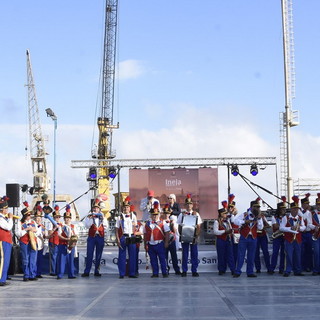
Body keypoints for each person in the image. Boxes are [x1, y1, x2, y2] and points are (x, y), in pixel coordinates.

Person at [233, 198, 263, 278]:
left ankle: (250, 272)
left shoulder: (258, 216)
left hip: (253, 237)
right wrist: (244, 222)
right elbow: (235, 221)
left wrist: (259, 219)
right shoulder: (245, 214)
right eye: (255, 207)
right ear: (251, 207)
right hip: (244, 237)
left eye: (258, 207)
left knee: (251, 255)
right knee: (241, 254)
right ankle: (238, 271)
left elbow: (260, 227)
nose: (257, 208)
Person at [280, 196, 306, 277]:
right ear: (291, 209)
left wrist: (298, 228)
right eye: (294, 209)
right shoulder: (285, 217)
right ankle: (288, 270)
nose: (296, 210)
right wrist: (290, 228)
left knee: (298, 255)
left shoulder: (300, 218)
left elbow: (304, 227)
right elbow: (281, 228)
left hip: (298, 239)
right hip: (289, 239)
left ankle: (297, 270)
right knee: (289, 255)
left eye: (297, 209)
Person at [81, 200, 108, 277]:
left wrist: (102, 219)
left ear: (99, 209)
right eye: (94, 208)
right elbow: (87, 226)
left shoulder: (102, 216)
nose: (95, 209)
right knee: (89, 254)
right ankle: (87, 271)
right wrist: (91, 219)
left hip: (100, 237)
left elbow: (106, 226)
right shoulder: (89, 216)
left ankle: (97, 270)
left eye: (97, 208)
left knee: (98, 254)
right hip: (92, 237)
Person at [177, 194, 202, 277]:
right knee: (185, 254)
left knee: (194, 254)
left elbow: (199, 227)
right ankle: (184, 270)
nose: (189, 205)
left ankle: (194, 270)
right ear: (185, 205)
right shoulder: (182, 214)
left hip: (193, 237)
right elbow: (179, 226)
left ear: (192, 205)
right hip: (185, 236)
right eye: (187, 204)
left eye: (190, 204)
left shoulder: (196, 214)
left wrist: (196, 236)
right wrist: (181, 235)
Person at [16, 202, 41, 281]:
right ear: (25, 216)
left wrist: (34, 230)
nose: (30, 216)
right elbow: (18, 233)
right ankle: (26, 275)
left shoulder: (33, 222)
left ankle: (32, 275)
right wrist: (26, 230)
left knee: (33, 259)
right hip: (25, 242)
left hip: (33, 242)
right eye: (28, 215)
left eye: (30, 215)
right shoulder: (20, 223)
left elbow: (38, 232)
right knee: (25, 259)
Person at [144, 202, 169, 278]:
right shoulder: (147, 223)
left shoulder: (163, 222)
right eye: (153, 215)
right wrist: (145, 244)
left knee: (162, 259)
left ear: (158, 214)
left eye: (156, 215)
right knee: (153, 260)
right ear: (151, 215)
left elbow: (167, 232)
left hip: (159, 243)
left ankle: (164, 272)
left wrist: (166, 242)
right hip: (151, 244)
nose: (154, 216)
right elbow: (145, 234)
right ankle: (155, 273)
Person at [115, 197, 138, 279]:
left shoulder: (133, 216)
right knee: (122, 256)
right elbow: (116, 229)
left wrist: (136, 234)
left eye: (127, 207)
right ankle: (121, 273)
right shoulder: (119, 217)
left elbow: (136, 226)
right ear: (123, 208)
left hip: (131, 236)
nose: (126, 208)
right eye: (125, 207)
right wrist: (117, 239)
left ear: (129, 208)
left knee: (132, 255)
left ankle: (132, 273)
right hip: (123, 236)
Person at [57, 205, 78, 279]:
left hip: (71, 245)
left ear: (70, 219)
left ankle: (71, 274)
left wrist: (73, 240)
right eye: (66, 218)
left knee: (71, 260)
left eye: (68, 218)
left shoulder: (73, 226)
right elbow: (59, 235)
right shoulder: (61, 226)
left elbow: (76, 235)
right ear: (64, 219)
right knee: (62, 260)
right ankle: (60, 274)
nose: (67, 220)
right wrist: (66, 239)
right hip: (63, 244)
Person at [213, 204, 235, 275]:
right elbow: (215, 232)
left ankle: (232, 269)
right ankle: (221, 269)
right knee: (221, 255)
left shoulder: (227, 221)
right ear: (221, 214)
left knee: (230, 255)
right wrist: (225, 231)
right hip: (220, 240)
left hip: (228, 239)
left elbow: (231, 228)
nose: (226, 215)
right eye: (224, 214)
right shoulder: (216, 222)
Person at [161, 204, 181, 275]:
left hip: (172, 240)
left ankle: (176, 269)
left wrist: (173, 225)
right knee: (164, 256)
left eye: (168, 213)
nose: (166, 215)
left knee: (174, 256)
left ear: (170, 214)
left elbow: (175, 231)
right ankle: (166, 269)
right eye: (165, 213)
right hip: (164, 240)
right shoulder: (161, 222)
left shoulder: (172, 221)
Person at [270, 197, 286, 274]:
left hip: (284, 237)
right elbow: (275, 226)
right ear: (279, 209)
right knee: (275, 252)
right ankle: (272, 268)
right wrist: (283, 227)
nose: (284, 210)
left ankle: (281, 268)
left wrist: (282, 227)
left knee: (283, 253)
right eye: (282, 209)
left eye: (284, 209)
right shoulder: (274, 217)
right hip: (277, 236)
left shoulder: (286, 217)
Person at [0, 196, 13, 286]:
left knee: (6, 260)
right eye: (6, 208)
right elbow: (8, 227)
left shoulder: (4, 218)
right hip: (3, 241)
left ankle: (3, 278)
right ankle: (1, 279)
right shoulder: (0, 218)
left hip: (7, 241)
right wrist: (11, 218)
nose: (7, 210)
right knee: (3, 260)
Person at [47, 205, 62, 276]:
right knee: (53, 257)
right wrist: (54, 228)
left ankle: (59, 270)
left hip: (60, 242)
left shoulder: (61, 224)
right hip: (53, 241)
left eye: (59, 217)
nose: (58, 218)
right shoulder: (51, 223)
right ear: (53, 217)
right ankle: (53, 271)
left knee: (59, 257)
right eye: (56, 217)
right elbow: (49, 233)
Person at [300, 193, 313, 272]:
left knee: (309, 251)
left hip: (308, 232)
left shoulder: (309, 212)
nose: (307, 205)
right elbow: (303, 217)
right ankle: (301, 267)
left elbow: (309, 222)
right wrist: (307, 211)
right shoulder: (299, 211)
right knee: (301, 251)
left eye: (308, 203)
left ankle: (309, 266)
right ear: (302, 204)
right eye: (306, 204)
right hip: (302, 233)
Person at [308, 194, 320, 275]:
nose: (319, 206)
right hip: (316, 235)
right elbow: (309, 224)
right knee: (316, 252)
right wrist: (314, 227)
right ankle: (316, 269)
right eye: (318, 204)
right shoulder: (311, 214)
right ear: (316, 205)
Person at [34, 206, 46, 278]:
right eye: (37, 218)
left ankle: (39, 273)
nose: (38, 219)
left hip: (41, 243)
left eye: (39, 218)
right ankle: (34, 273)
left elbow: (44, 235)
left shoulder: (42, 226)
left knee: (40, 259)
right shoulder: (33, 225)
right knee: (34, 259)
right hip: (35, 242)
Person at [228, 194, 240, 265]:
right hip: (228, 236)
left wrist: (232, 214)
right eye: (229, 207)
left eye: (231, 207)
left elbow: (233, 221)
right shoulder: (226, 216)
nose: (230, 209)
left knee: (235, 251)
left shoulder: (237, 216)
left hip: (235, 236)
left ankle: (235, 265)